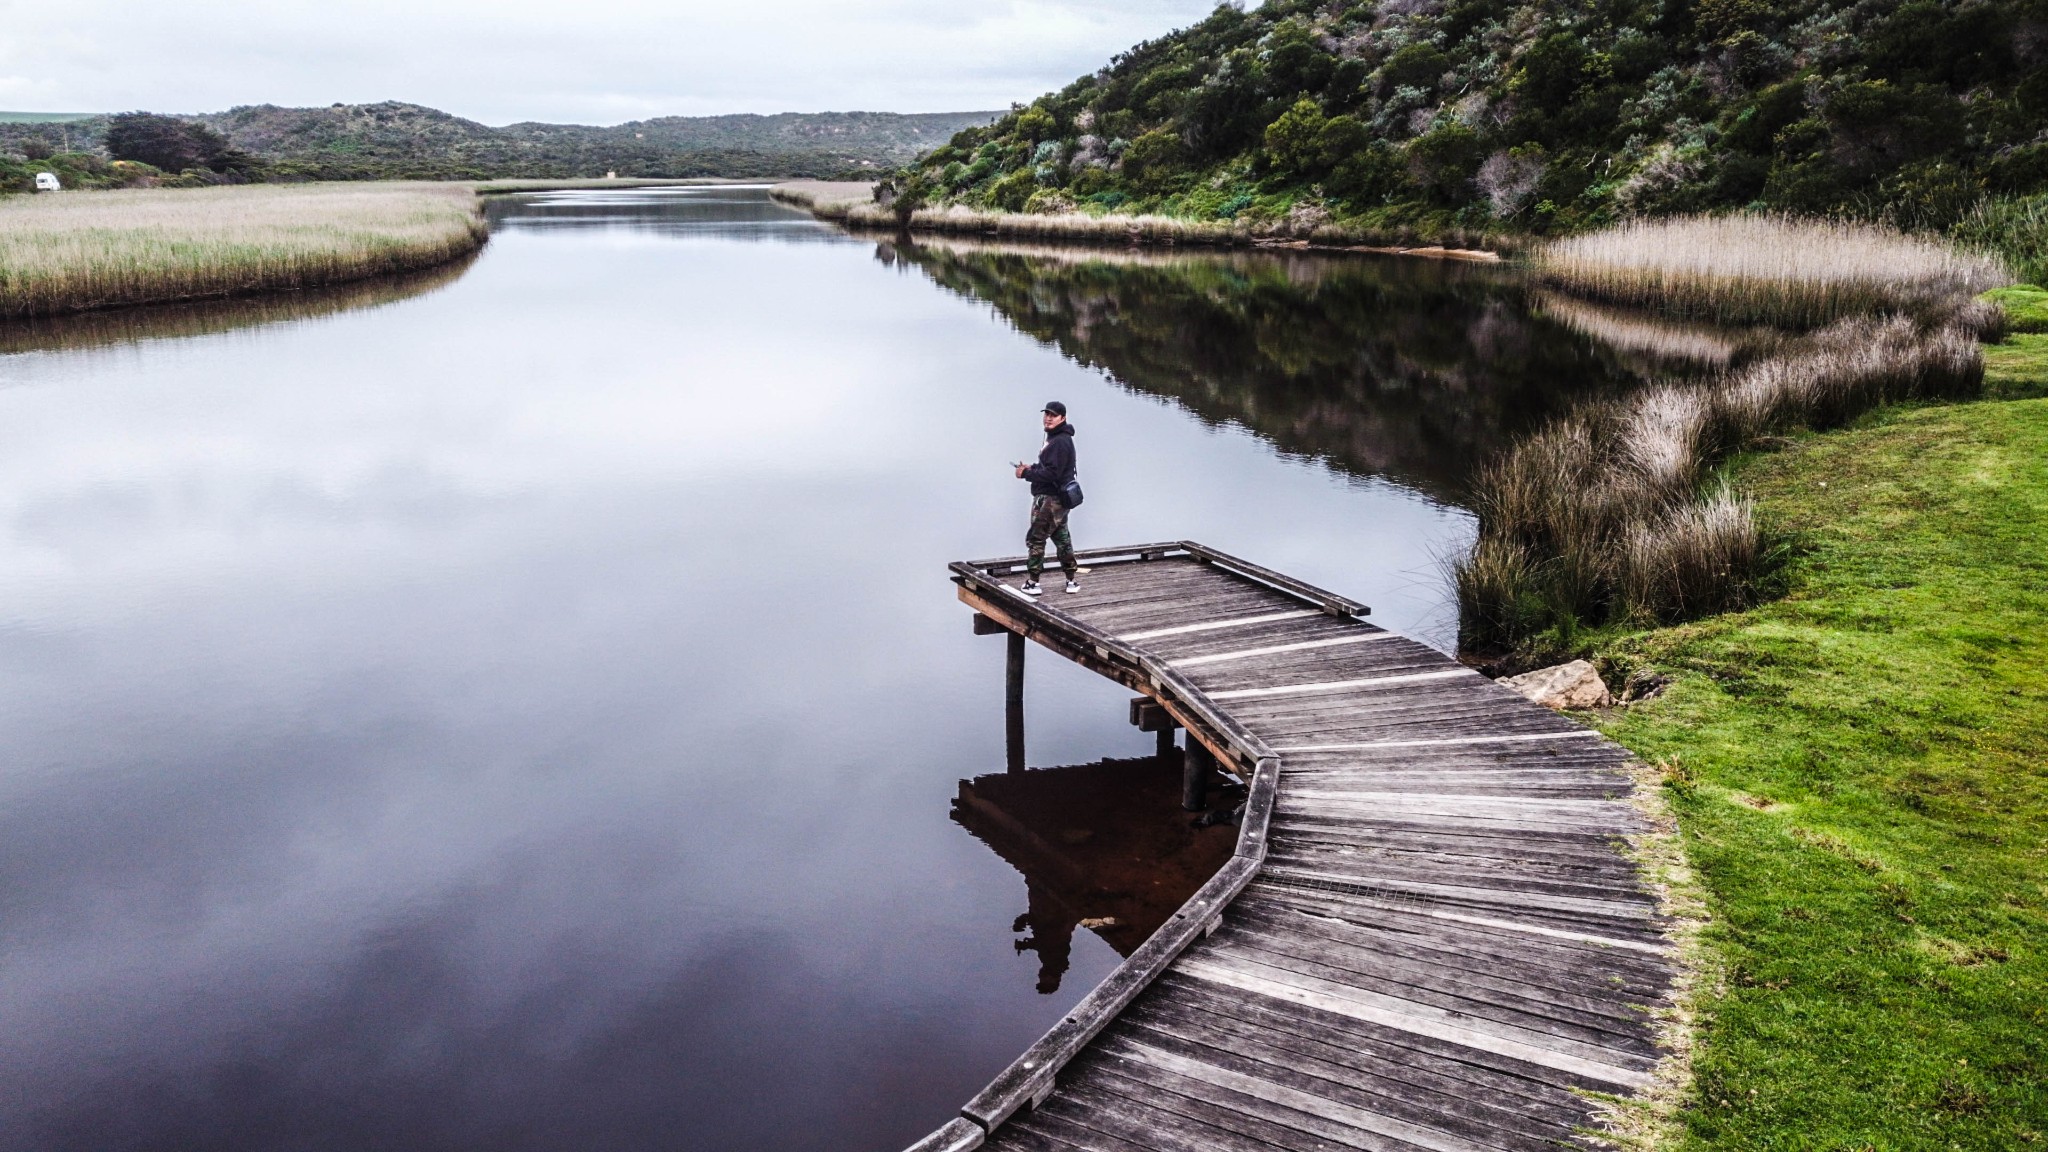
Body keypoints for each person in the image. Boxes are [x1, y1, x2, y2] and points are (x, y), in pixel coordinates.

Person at [1013, 401, 1078, 595]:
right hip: (1060, 499)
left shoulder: (1059, 442)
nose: (1048, 418)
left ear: (1062, 418)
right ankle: (1071, 580)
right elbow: (1050, 468)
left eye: (1053, 415)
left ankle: (1033, 583)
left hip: (1050, 500)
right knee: (1061, 538)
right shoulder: (1057, 438)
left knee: (1036, 538)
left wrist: (1025, 474)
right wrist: (1032, 468)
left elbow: (1052, 475)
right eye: (1047, 414)